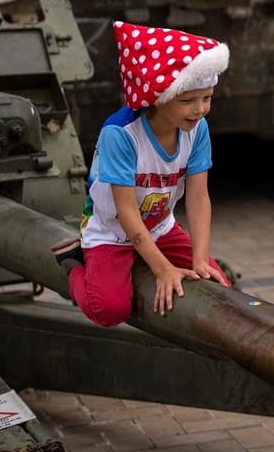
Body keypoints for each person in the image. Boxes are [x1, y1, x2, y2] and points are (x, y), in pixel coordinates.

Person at [55, 22, 233, 327]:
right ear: (157, 96)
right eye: (187, 100)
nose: (200, 109)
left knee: (219, 289)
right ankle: (73, 263)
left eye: (207, 98)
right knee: (109, 310)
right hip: (112, 232)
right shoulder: (120, 135)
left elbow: (199, 197)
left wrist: (199, 259)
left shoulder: (196, 130)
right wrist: (162, 269)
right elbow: (126, 213)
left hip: (161, 228)